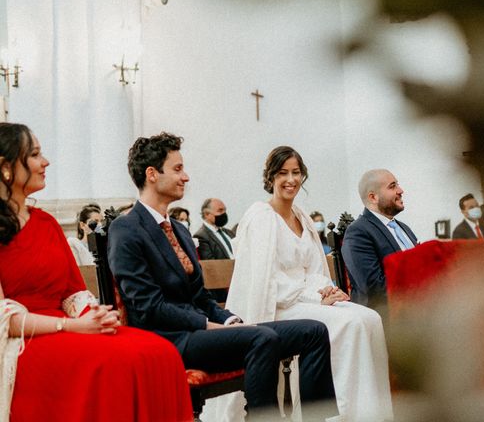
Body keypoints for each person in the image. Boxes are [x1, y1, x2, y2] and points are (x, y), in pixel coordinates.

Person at [107, 133, 338, 421]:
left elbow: (200, 296)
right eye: (177, 169)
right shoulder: (127, 229)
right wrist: (207, 325)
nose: (186, 177)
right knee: (261, 338)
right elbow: (147, 307)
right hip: (168, 338)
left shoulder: (178, 229)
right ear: (152, 174)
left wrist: (228, 320)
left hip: (201, 330)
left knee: (313, 331)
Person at [0, 122, 192, 421]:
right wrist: (73, 327)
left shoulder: (46, 224)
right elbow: (3, 319)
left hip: (67, 326)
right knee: (113, 363)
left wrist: (94, 313)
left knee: (159, 352)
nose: (45, 161)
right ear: (6, 167)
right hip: (22, 338)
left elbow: (72, 291)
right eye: (35, 154)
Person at [227, 147, 393, 422]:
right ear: (270, 178)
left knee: (370, 318)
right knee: (349, 324)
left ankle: (372, 415)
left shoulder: (302, 217)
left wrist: (327, 289)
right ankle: (338, 416)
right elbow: (267, 282)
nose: (290, 179)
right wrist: (316, 298)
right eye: (283, 173)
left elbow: (314, 269)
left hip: (306, 300)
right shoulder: (261, 216)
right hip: (278, 307)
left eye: (296, 172)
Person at [341, 169, 418, 311]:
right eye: (392, 186)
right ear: (373, 197)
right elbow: (373, 289)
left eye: (398, 185)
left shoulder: (404, 228)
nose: (400, 190)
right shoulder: (358, 232)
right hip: (388, 315)